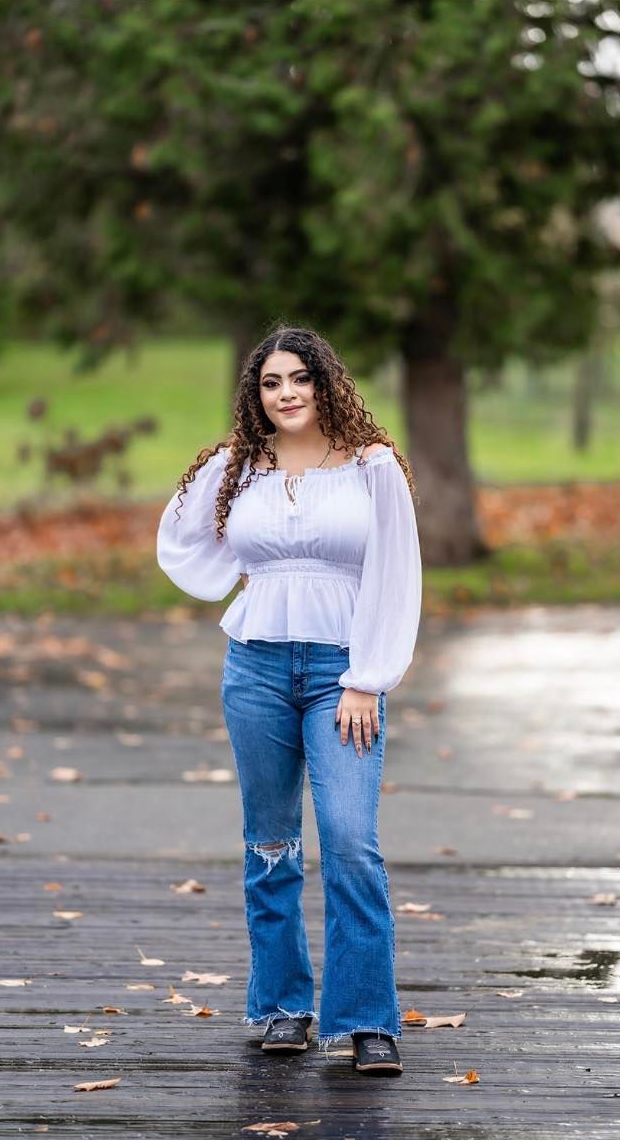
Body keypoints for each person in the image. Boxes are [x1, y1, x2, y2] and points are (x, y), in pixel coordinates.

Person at [156, 325, 422, 1075]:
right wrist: (219, 478)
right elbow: (184, 541)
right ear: (256, 395)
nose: (287, 394)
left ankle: (367, 1020)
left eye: (300, 378)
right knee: (269, 846)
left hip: (345, 677)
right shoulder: (239, 467)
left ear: (326, 383)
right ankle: (282, 1008)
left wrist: (368, 675)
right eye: (271, 383)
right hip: (256, 670)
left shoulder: (372, 468)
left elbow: (397, 576)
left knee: (350, 843)